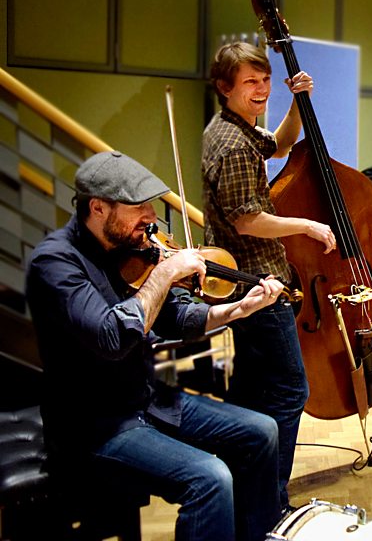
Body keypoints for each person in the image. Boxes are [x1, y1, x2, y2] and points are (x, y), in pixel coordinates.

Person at [27, 151, 285, 541]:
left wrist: (238, 309)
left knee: (262, 431)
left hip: (146, 399)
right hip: (95, 424)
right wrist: (163, 275)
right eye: (138, 207)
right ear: (98, 208)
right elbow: (112, 338)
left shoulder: (129, 252)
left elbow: (177, 317)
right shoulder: (56, 264)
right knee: (210, 478)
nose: (151, 217)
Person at [202, 42, 335, 511]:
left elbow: (278, 145)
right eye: (249, 83)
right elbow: (247, 221)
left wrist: (298, 101)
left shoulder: (233, 127)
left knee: (251, 389)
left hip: (245, 280)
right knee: (289, 390)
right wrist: (307, 225)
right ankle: (270, 498)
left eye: (264, 81)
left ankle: (244, 490)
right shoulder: (234, 145)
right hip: (260, 284)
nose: (261, 90)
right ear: (225, 88)